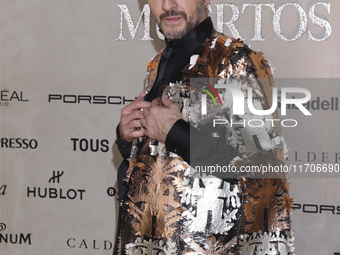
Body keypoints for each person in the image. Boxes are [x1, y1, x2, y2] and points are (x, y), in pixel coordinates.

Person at [114, 0, 294, 254]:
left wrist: (174, 131)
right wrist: (127, 137)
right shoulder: (158, 63)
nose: (168, 4)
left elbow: (262, 169)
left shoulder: (235, 61)